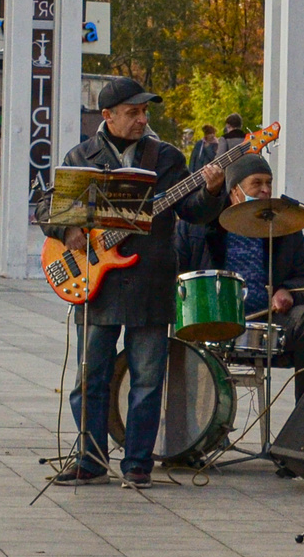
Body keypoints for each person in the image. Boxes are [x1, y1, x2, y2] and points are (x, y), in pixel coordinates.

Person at [43, 77, 223, 488]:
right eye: (133, 112)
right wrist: (66, 231)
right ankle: (90, 460)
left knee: (147, 378)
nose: (142, 119)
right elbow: (47, 207)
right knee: (90, 378)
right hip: (97, 283)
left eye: (144, 112)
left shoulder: (166, 157)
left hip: (150, 281)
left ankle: (138, 463)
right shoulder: (81, 156)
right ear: (107, 115)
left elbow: (192, 211)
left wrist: (212, 191)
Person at [176, 153, 304, 399]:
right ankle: (202, 420)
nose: (265, 190)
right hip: (212, 323)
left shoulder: (284, 226)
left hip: (267, 324)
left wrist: (288, 290)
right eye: (256, 183)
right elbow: (175, 275)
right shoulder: (198, 225)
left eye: (269, 183)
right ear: (234, 190)